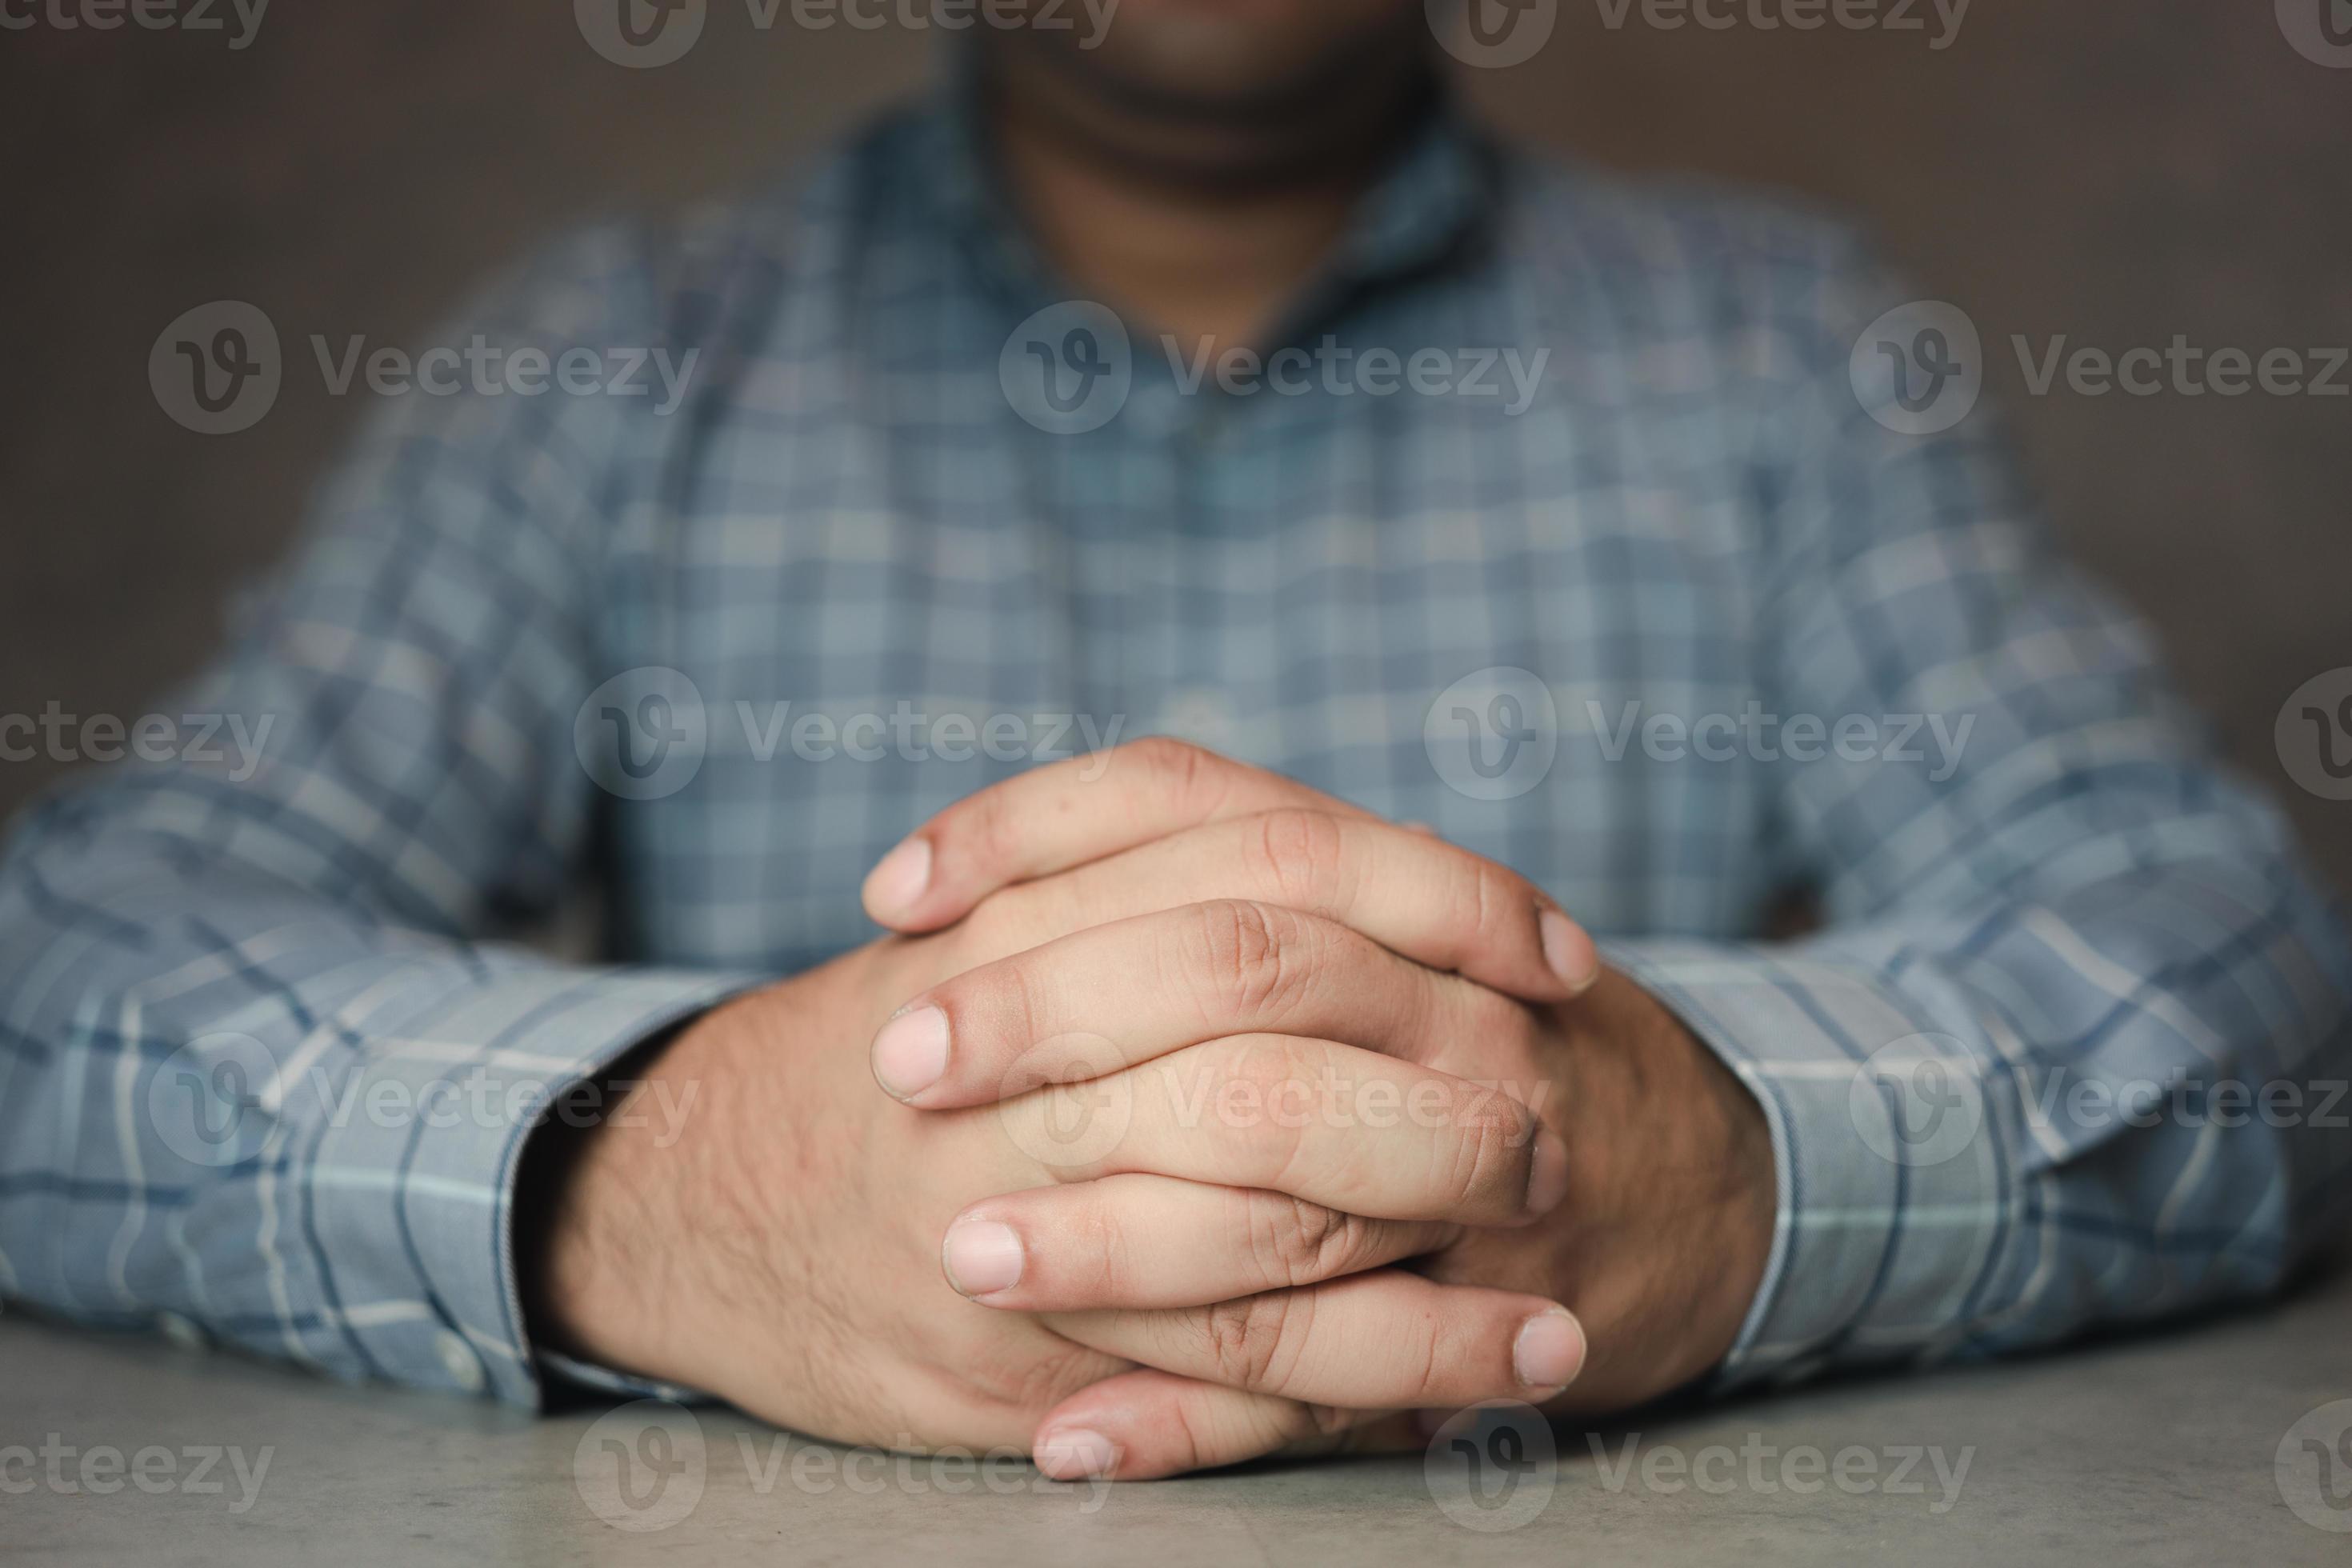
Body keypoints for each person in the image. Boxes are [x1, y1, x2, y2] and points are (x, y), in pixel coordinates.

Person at [3, 1, 2346, 1484]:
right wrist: (670, 1168)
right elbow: (68, 968)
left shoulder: (1776, 354)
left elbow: (2234, 972)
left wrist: (1730, 1153)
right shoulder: (613, 361)